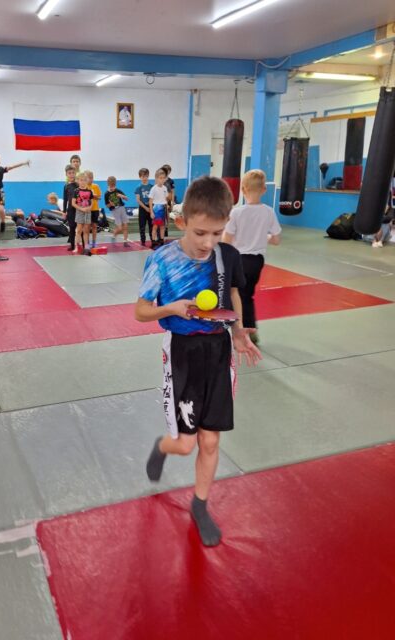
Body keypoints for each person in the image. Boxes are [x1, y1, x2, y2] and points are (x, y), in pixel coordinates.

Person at [135, 176, 261, 547]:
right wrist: (171, 308)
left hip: (218, 352)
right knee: (187, 444)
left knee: (210, 441)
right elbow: (141, 311)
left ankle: (200, 504)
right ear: (182, 221)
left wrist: (238, 332)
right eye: (201, 233)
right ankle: (163, 446)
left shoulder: (228, 256)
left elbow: (233, 295)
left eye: (217, 233)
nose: (208, 242)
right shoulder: (162, 259)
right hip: (182, 353)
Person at [222, 169, 281, 344]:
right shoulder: (269, 212)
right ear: (264, 189)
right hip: (257, 261)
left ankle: (238, 328)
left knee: (234, 294)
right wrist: (264, 237)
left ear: (242, 189)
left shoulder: (236, 213)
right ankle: (249, 328)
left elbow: (226, 239)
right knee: (247, 295)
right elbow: (276, 240)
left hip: (239, 259)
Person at [104, 176, 130, 246]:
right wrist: (110, 204)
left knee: (125, 225)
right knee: (119, 227)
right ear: (108, 184)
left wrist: (122, 196)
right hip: (115, 210)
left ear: (115, 184)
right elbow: (107, 205)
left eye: (114, 186)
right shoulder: (106, 194)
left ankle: (125, 241)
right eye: (111, 186)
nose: (112, 187)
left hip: (122, 208)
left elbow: (127, 198)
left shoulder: (118, 190)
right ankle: (113, 236)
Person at [72, 172, 93, 255]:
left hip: (87, 212)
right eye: (81, 180)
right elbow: (73, 203)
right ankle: (76, 246)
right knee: (79, 230)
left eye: (84, 180)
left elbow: (91, 203)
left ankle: (86, 247)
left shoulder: (90, 191)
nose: (83, 182)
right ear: (78, 181)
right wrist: (81, 209)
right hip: (79, 211)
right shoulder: (76, 191)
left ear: (87, 181)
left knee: (86, 230)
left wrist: (89, 208)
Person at [149, 169, 169, 249]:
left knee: (162, 226)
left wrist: (167, 207)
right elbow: (150, 201)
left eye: (163, 178)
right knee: (155, 226)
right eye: (160, 178)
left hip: (163, 208)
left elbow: (165, 199)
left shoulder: (165, 188)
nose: (162, 180)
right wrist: (151, 212)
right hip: (157, 209)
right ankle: (153, 242)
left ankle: (161, 240)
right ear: (156, 178)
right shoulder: (154, 188)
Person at [135, 168, 153, 246]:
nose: (144, 178)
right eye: (142, 176)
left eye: (146, 176)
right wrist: (146, 208)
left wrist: (150, 207)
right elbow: (138, 200)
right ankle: (143, 241)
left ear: (148, 176)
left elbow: (153, 198)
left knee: (151, 225)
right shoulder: (138, 187)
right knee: (142, 225)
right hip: (143, 208)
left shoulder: (151, 186)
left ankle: (153, 240)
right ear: (140, 177)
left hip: (150, 207)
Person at [63, 165, 78, 252]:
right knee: (72, 228)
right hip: (70, 210)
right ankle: (72, 246)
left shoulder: (78, 184)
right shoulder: (66, 186)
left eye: (73, 173)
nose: (71, 175)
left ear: (75, 173)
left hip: (79, 209)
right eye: (69, 173)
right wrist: (64, 211)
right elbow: (65, 199)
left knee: (80, 228)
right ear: (66, 174)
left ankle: (82, 244)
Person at [85, 170, 102, 248]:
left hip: (95, 209)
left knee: (94, 226)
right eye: (89, 178)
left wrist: (94, 196)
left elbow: (99, 197)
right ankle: (87, 242)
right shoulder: (84, 187)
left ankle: (94, 242)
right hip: (87, 209)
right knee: (87, 227)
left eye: (92, 177)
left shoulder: (96, 186)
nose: (91, 179)